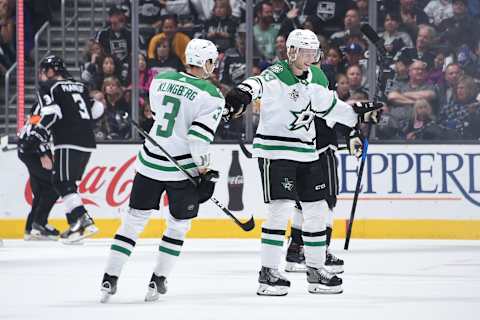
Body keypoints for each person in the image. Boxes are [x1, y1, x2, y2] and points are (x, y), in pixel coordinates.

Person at [223, 29, 381, 296]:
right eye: (305, 53)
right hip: (277, 153)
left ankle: (316, 270)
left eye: (313, 53)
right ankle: (269, 273)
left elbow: (330, 106)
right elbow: (255, 84)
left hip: (307, 153)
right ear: (292, 52)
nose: (310, 58)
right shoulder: (276, 74)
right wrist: (240, 96)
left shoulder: (312, 80)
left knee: (317, 209)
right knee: (280, 209)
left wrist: (357, 115)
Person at [100, 39, 225, 303]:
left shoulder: (162, 79)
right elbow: (197, 139)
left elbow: (159, 114)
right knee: (178, 226)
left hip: (149, 161)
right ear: (206, 62)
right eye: (213, 61)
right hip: (182, 170)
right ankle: (157, 280)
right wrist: (205, 171)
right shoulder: (212, 95)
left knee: (133, 222)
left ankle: (109, 278)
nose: (215, 66)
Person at [23, 55, 105, 243]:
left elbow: (52, 113)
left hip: (67, 139)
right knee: (62, 181)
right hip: (87, 140)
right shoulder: (81, 86)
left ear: (51, 71)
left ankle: (83, 221)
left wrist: (39, 133)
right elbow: (97, 109)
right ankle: (76, 224)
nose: (41, 75)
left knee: (62, 181)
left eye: (43, 71)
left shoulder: (48, 87)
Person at [18, 101, 60, 241]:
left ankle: (31, 228)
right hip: (33, 150)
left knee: (41, 191)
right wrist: (42, 154)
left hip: (30, 150)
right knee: (55, 186)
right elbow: (33, 133)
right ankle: (39, 224)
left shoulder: (39, 110)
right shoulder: (46, 111)